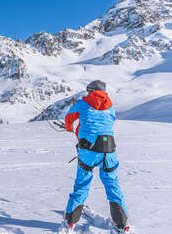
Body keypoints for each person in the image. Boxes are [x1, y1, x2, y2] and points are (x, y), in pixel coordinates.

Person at [64, 80, 130, 233]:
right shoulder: (111, 106)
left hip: (89, 151)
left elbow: (69, 119)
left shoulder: (83, 103)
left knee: (82, 183)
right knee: (112, 184)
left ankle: (71, 221)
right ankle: (122, 223)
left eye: (88, 91)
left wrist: (71, 130)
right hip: (109, 150)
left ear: (91, 91)